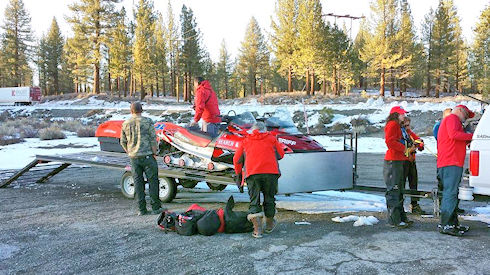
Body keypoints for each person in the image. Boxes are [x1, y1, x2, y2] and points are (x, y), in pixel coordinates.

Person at [233, 122, 285, 238]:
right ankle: (269, 225)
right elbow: (281, 154)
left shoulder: (245, 141)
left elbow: (236, 159)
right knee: (269, 198)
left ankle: (257, 230)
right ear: (264, 130)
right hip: (271, 173)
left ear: (252, 130)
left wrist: (238, 174)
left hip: (252, 174)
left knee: (254, 200)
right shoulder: (272, 138)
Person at [437, 105, 474, 236]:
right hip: (450, 162)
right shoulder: (452, 118)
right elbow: (454, 135)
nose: (466, 119)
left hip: (450, 162)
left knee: (451, 193)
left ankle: (452, 224)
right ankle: (446, 224)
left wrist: (467, 139)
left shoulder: (451, 120)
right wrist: (472, 136)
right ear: (459, 111)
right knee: (450, 193)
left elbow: (454, 138)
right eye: (466, 115)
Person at [120, 102, 162, 216]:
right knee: (153, 181)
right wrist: (155, 152)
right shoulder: (147, 121)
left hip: (134, 157)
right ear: (141, 110)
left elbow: (123, 141)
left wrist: (129, 151)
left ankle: (141, 209)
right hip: (148, 156)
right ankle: (155, 207)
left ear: (131, 110)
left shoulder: (125, 123)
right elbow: (153, 139)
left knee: (138, 183)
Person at [383, 106, 414, 228]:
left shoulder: (399, 126)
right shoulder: (393, 125)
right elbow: (390, 142)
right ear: (396, 114)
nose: (404, 116)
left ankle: (400, 217)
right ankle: (394, 220)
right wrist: (405, 149)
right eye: (402, 114)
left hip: (398, 160)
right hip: (393, 161)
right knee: (394, 191)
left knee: (399, 190)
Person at [401, 117, 426, 215]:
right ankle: (400, 205)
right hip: (403, 161)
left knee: (414, 183)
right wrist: (412, 147)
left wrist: (420, 144)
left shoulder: (410, 133)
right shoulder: (401, 134)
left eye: (408, 125)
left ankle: (414, 204)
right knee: (401, 184)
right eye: (405, 126)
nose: (407, 128)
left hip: (411, 161)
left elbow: (418, 142)